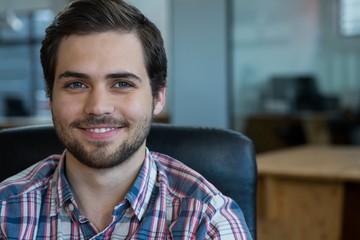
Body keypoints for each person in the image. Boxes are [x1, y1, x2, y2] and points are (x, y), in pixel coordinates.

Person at [0, 0, 252, 239]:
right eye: (76, 84)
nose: (98, 107)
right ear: (50, 97)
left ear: (158, 96)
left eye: (122, 83)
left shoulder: (207, 222)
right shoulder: (5, 213)